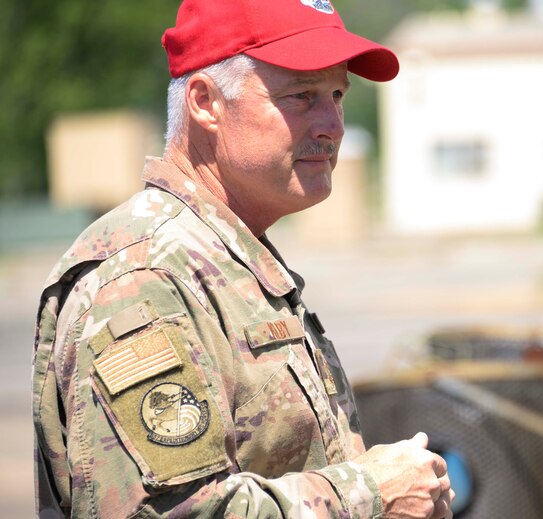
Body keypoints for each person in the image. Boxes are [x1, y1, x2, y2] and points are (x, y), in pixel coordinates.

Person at [32, 0, 454, 517]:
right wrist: (371, 492)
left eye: (337, 95)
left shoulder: (223, 255)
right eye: (301, 96)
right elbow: (179, 511)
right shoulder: (145, 276)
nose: (332, 126)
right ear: (206, 102)